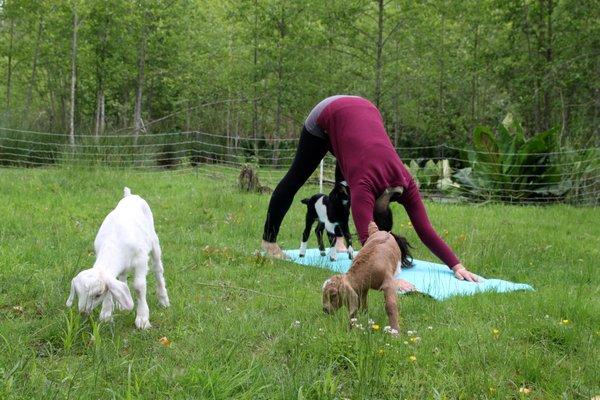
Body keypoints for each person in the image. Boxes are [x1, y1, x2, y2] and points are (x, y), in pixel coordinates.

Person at [261, 95, 479, 283]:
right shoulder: (364, 187)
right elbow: (370, 248)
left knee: (345, 177)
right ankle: (268, 243)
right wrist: (391, 279)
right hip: (328, 112)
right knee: (296, 178)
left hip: (365, 110)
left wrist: (457, 266)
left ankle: (337, 240)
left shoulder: (405, 182)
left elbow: (425, 230)